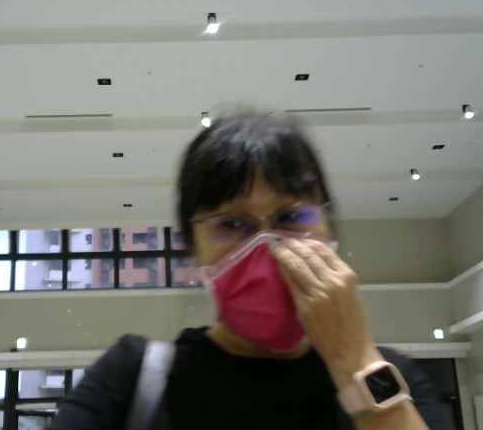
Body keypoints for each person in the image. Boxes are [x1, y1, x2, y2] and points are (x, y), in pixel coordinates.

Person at [49, 110, 452, 429]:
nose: (267, 249)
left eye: (292, 217)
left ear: (329, 228)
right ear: (193, 249)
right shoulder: (131, 378)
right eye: (232, 224)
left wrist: (358, 367)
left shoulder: (398, 376)